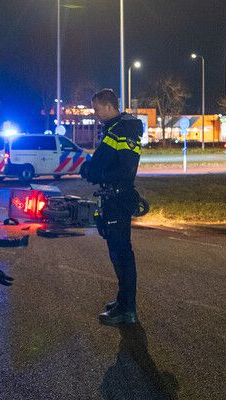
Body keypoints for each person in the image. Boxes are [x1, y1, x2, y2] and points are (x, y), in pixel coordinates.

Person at [80, 88, 144, 326]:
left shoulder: (121, 130)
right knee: (118, 253)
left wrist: (94, 171)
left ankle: (127, 308)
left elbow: (120, 168)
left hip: (118, 200)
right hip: (114, 198)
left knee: (122, 254)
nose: (95, 113)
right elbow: (102, 162)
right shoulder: (115, 128)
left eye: (96, 109)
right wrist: (94, 170)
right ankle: (123, 301)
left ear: (108, 106)